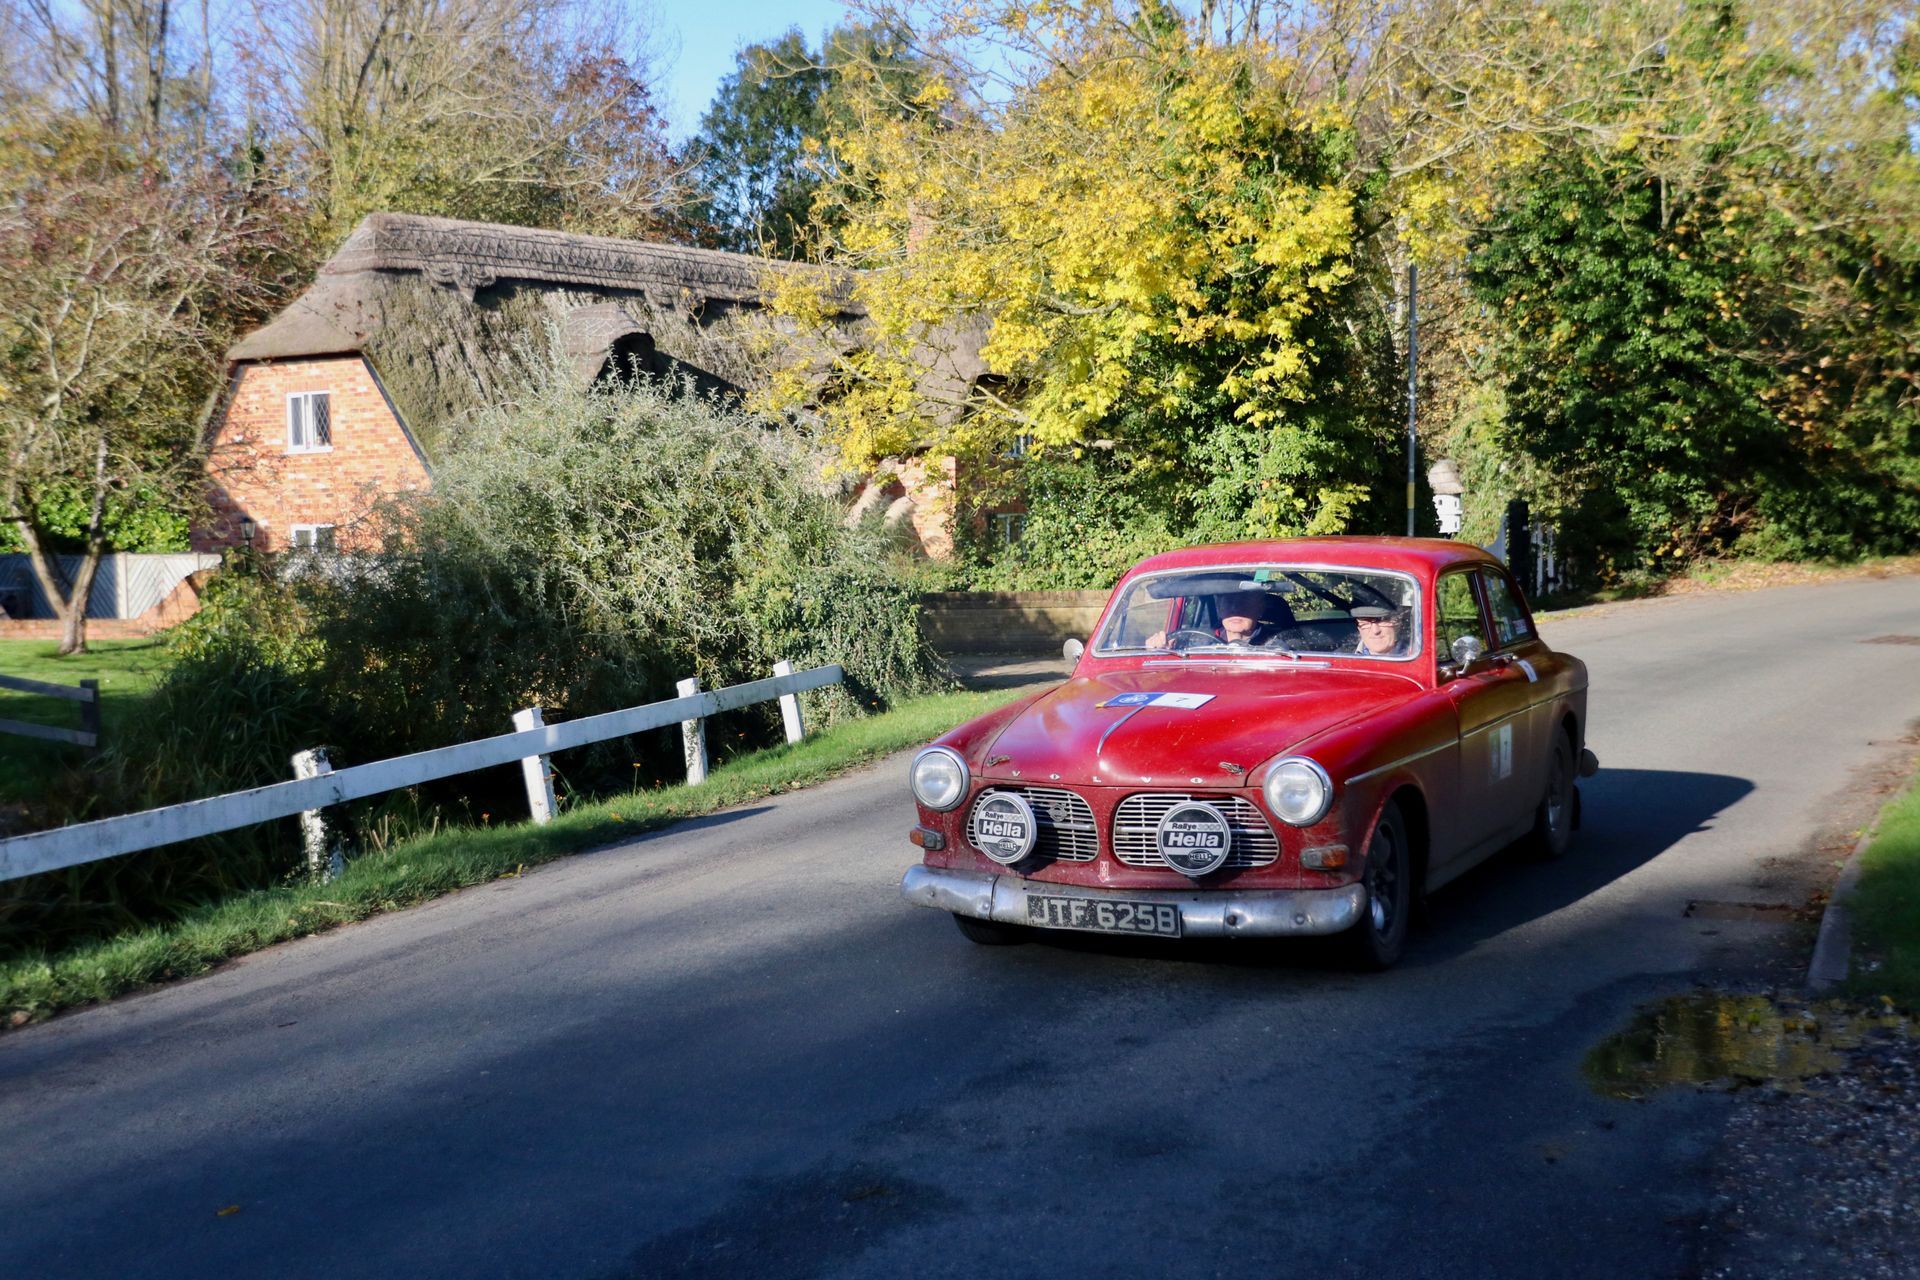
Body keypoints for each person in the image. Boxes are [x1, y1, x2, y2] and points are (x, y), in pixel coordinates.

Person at [1149, 589, 1296, 648]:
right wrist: (1160, 648)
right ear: (1219, 608)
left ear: (1260, 608)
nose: (1235, 608)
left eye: (1244, 601)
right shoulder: (1197, 641)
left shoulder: (1279, 643)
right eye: (1228, 601)